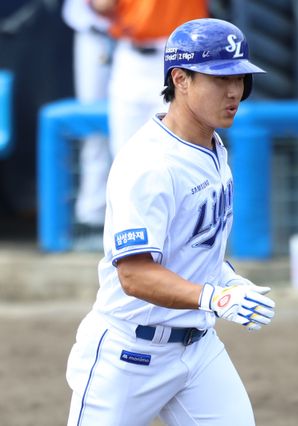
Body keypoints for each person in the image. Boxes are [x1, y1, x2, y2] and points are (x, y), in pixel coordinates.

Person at [65, 18, 275, 425]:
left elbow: (193, 248)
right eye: (220, 79)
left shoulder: (212, 146)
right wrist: (216, 298)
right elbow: (134, 275)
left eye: (240, 78)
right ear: (180, 79)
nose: (234, 91)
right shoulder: (149, 163)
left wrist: (229, 281)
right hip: (129, 354)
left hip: (199, 349)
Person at [89, 0, 209, 155]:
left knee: (176, 152)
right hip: (129, 55)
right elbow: (102, 6)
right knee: (125, 154)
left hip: (179, 53)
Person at [62, 0, 113, 235]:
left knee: (142, 128)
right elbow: (101, 5)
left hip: (141, 39)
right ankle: (92, 212)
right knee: (94, 130)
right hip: (94, 36)